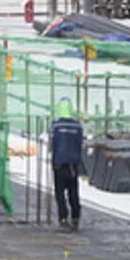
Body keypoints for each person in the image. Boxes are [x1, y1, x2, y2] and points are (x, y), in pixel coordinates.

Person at [50, 97, 84, 232]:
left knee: (59, 192)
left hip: (59, 162)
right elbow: (79, 143)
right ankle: (75, 217)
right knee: (73, 191)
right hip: (73, 163)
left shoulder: (55, 125)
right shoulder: (77, 126)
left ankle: (63, 218)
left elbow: (52, 144)